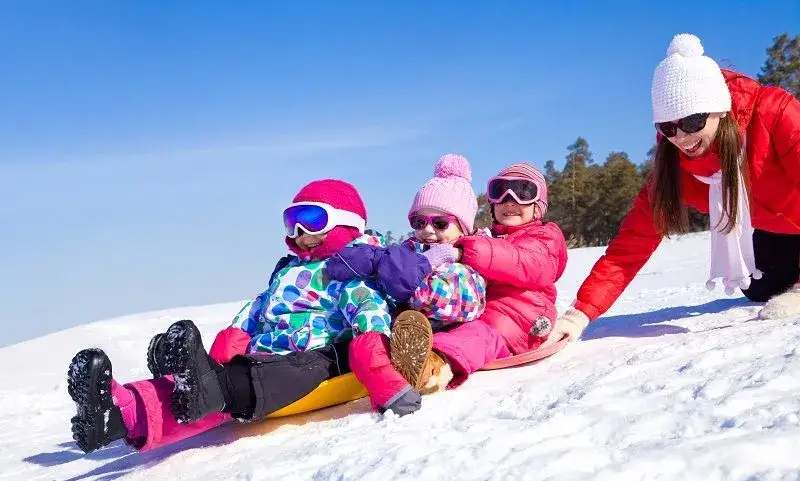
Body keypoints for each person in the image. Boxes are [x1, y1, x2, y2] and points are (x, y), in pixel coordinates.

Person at [67, 179, 417, 455]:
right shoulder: (288, 272)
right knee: (210, 388)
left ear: (345, 223)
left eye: (310, 219)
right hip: (264, 357)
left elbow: (369, 325)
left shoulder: (350, 271)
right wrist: (216, 359)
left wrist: (388, 387)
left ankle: (204, 385)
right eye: (291, 221)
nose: (297, 232)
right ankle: (116, 413)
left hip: (315, 359)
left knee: (235, 385)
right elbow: (253, 315)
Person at [550, 33, 800, 344]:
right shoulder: (674, 167)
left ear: (719, 109)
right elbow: (629, 247)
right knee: (759, 286)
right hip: (781, 231)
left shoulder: (775, 115)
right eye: (668, 127)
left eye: (692, 121)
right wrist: (579, 315)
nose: (681, 137)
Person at [327, 153, 490, 394]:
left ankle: (420, 364)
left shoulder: (464, 259)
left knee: (457, 339)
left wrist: (413, 284)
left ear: (463, 226)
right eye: (418, 221)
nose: (427, 230)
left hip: (441, 330)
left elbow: (467, 303)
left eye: (440, 223)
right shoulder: (407, 252)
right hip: (393, 326)